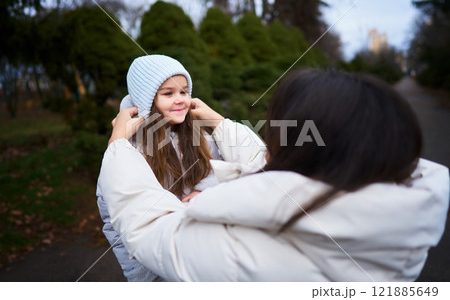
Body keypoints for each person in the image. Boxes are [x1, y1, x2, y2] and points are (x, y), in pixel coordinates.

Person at [98, 68, 449, 281]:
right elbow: (267, 169)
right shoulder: (404, 214)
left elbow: (150, 229)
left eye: (279, 133)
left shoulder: (243, 254)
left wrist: (117, 146)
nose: (268, 144)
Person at [96, 55, 223, 281]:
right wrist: (141, 276)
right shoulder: (129, 150)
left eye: (184, 91)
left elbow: (220, 170)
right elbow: (116, 214)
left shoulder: (198, 134)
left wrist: (205, 192)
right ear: (146, 100)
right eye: (168, 93)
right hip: (157, 267)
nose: (180, 99)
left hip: (204, 258)